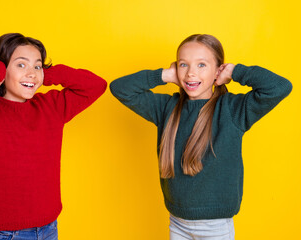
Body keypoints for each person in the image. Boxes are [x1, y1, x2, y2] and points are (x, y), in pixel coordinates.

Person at [109, 34, 292, 240]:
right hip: (177, 222)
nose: (191, 73)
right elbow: (120, 88)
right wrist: (164, 75)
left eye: (202, 65)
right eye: (183, 65)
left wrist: (235, 71)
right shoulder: (166, 108)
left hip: (216, 228)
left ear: (218, 70)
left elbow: (279, 87)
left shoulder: (232, 110)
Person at [0, 33, 107, 240]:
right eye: (21, 65)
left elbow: (95, 85)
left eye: (37, 66)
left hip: (49, 228)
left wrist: (49, 74)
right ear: (2, 69)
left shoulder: (51, 107)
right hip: (6, 234)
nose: (31, 73)